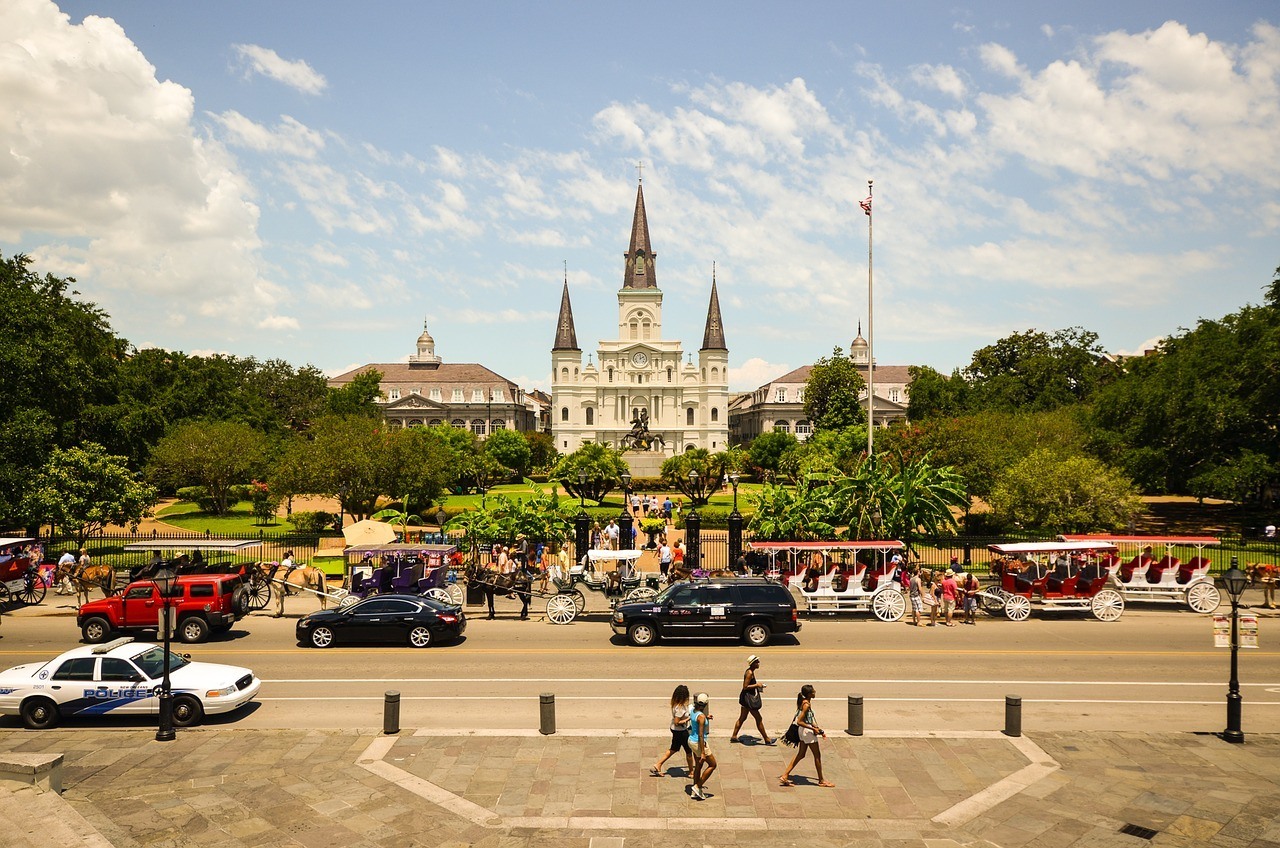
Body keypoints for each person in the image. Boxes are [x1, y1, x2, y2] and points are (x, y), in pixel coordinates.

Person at [779, 684, 833, 787]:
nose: (815, 692)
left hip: (802, 731)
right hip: (807, 733)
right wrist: (813, 728)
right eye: (813, 691)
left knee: (801, 754)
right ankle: (821, 780)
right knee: (817, 756)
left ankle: (785, 775)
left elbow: (808, 719)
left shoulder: (803, 702)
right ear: (809, 694)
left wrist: (816, 727)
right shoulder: (806, 705)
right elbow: (800, 721)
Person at [650, 685, 695, 778]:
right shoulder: (680, 708)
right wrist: (688, 719)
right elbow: (677, 722)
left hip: (675, 730)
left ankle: (658, 764)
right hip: (681, 731)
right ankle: (691, 772)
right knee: (688, 751)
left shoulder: (675, 704)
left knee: (674, 749)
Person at [730, 655, 774, 744]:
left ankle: (734, 736)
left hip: (745, 699)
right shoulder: (749, 673)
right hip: (748, 700)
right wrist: (757, 685)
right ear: (753, 663)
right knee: (759, 718)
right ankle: (767, 739)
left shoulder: (751, 671)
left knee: (742, 718)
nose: (758, 663)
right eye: (757, 662)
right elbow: (745, 687)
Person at [689, 693, 716, 800]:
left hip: (691, 741)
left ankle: (694, 791)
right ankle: (697, 786)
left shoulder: (693, 710)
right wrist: (703, 753)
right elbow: (701, 734)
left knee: (698, 766)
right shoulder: (701, 717)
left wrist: (705, 718)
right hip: (699, 743)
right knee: (712, 765)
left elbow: (695, 720)